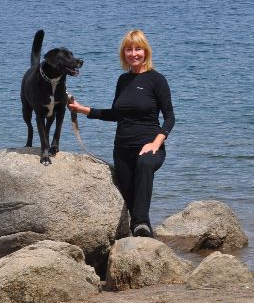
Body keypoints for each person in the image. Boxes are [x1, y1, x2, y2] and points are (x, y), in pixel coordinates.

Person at [68, 29, 174, 238]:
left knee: (144, 165)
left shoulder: (157, 79)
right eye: (129, 49)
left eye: (138, 49)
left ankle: (141, 225)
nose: (133, 54)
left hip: (149, 148)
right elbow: (116, 114)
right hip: (122, 151)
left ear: (146, 51)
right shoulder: (123, 80)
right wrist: (82, 109)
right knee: (134, 205)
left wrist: (155, 144)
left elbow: (170, 117)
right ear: (123, 53)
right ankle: (144, 237)